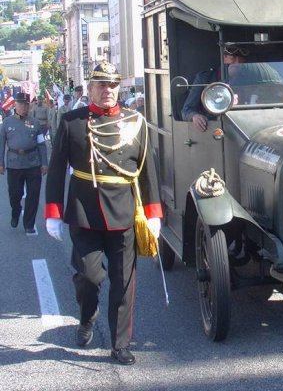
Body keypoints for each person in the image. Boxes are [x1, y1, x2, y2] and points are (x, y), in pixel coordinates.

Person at [44, 62, 163, 366]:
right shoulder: (72, 122)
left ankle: (120, 345)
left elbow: (146, 171)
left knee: (124, 283)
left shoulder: (135, 122)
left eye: (112, 85)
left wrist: (153, 213)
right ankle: (86, 317)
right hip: (84, 211)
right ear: (90, 89)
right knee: (89, 277)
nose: (108, 90)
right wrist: (53, 212)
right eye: (101, 85)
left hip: (124, 211)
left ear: (118, 88)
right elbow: (57, 169)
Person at [0, 92, 48, 235]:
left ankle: (29, 223)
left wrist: (44, 163)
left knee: (33, 195)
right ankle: (16, 212)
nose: (24, 107)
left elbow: (41, 145)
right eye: (21, 104)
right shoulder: (7, 123)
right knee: (15, 194)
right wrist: (1, 163)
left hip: (33, 163)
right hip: (14, 164)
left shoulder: (35, 123)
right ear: (15, 105)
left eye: (26, 104)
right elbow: (1, 145)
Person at [182, 46, 248, 131]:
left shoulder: (249, 78)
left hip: (243, 126)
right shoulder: (205, 78)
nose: (237, 63)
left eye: (240, 60)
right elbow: (186, 110)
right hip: (215, 128)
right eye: (233, 58)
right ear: (225, 58)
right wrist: (195, 116)